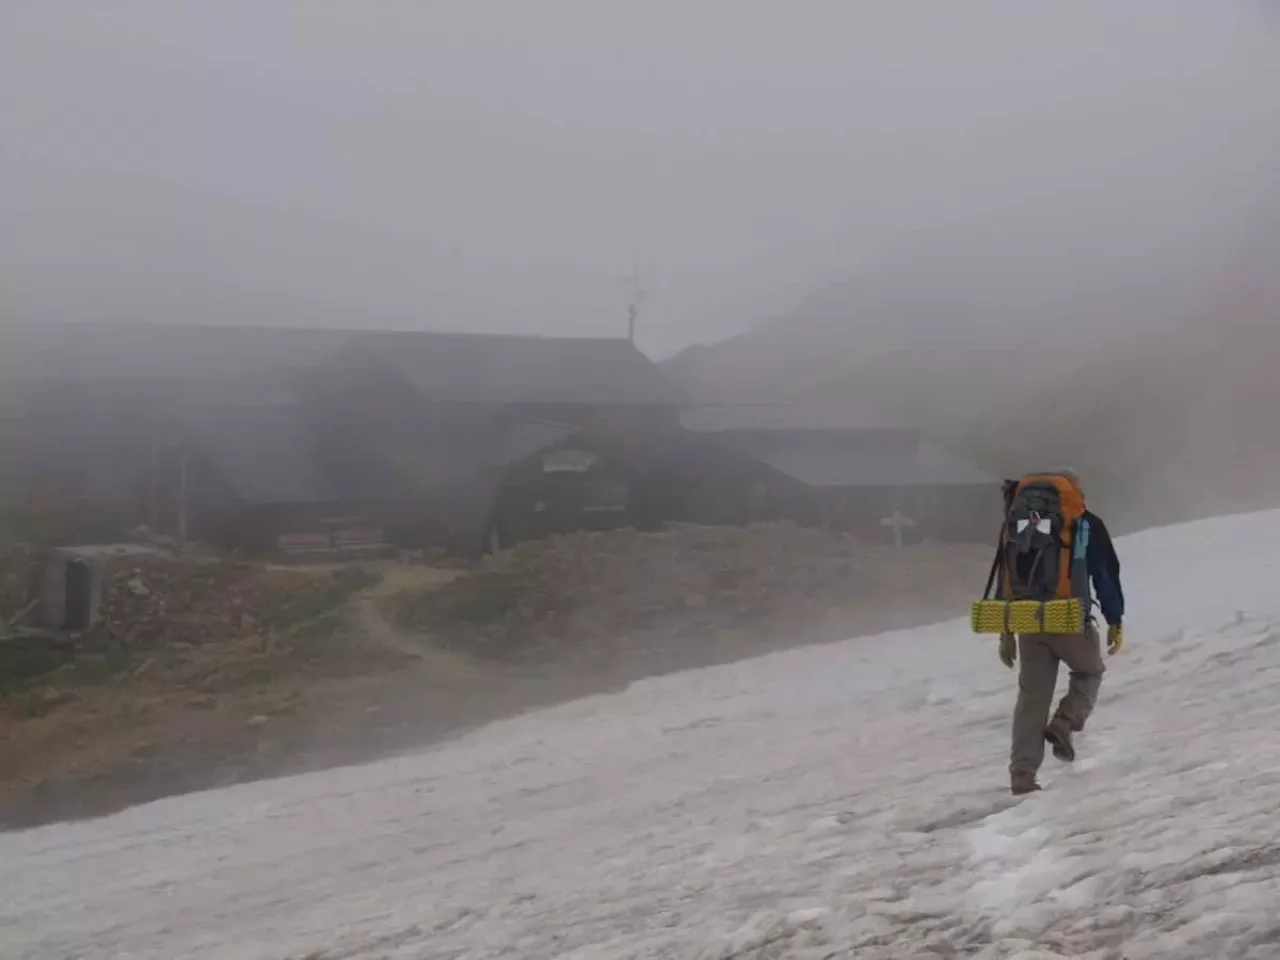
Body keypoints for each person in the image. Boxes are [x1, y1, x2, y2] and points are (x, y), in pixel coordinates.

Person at [998, 468, 1125, 796]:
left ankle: (1022, 774)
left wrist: (1006, 632)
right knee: (1090, 671)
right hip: (1068, 616)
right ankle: (1065, 722)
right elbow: (1105, 571)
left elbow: (1006, 575)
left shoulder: (1019, 522)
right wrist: (1115, 619)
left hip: (1027, 620)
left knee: (1032, 697)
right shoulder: (1083, 522)